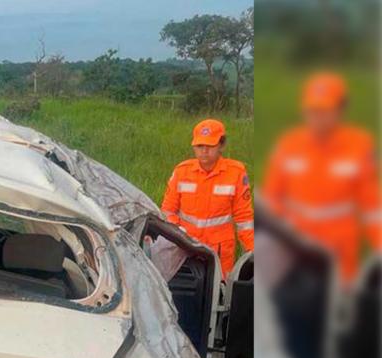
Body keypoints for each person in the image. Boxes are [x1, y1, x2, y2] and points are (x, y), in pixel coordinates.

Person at [262, 72, 381, 283]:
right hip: (295, 252)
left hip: (339, 256)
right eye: (313, 110)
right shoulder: (289, 145)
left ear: (340, 110)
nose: (317, 116)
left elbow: (372, 208)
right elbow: (272, 200)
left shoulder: (359, 146)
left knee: (336, 310)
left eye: (325, 110)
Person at [162, 119, 254, 276]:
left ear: (221, 146)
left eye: (210, 146)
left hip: (219, 250)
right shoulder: (182, 171)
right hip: (185, 247)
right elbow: (168, 210)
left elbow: (244, 219)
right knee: (186, 288)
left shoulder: (236, 173)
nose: (204, 151)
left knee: (220, 292)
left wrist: (252, 250)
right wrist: (178, 233)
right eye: (199, 146)